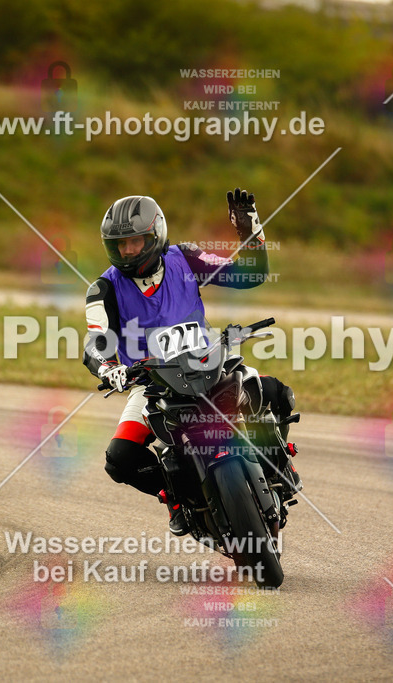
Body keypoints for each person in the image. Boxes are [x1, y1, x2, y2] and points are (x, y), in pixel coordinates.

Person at [82, 189, 296, 534]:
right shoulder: (102, 289)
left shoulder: (185, 257)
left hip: (210, 364)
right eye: (120, 245)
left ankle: (278, 466)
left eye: (135, 242)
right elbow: (95, 342)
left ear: (155, 235)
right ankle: (176, 499)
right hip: (152, 386)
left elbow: (250, 274)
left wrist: (249, 227)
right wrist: (110, 369)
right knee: (119, 459)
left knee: (274, 391)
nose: (127, 251)